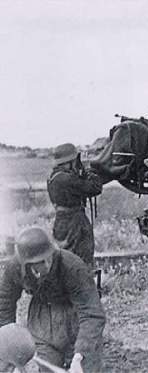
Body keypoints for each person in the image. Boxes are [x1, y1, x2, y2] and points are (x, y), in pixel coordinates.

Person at [0, 227, 106, 372]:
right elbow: (4, 302)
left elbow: (92, 313)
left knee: (85, 367)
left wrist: (80, 355)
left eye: (48, 257)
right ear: (27, 263)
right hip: (42, 323)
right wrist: (9, 344)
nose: (47, 263)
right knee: (47, 367)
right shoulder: (15, 268)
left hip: (75, 319)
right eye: (40, 261)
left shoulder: (73, 266)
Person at [47, 143, 102, 267]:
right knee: (83, 257)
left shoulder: (53, 177)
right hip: (75, 221)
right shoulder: (67, 179)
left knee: (64, 257)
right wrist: (89, 173)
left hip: (60, 221)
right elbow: (96, 188)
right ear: (70, 161)